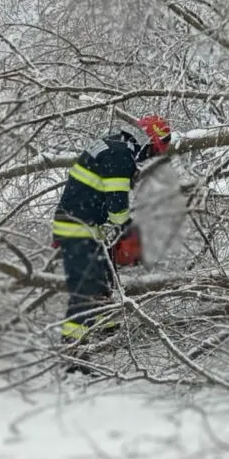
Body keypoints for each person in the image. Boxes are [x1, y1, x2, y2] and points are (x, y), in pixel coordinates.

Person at [51, 114, 172, 345]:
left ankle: (106, 330)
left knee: (103, 281)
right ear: (147, 141)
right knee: (86, 288)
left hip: (85, 224)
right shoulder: (119, 156)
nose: (150, 157)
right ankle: (73, 347)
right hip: (77, 226)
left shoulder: (116, 146)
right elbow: (117, 207)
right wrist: (128, 231)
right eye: (153, 151)